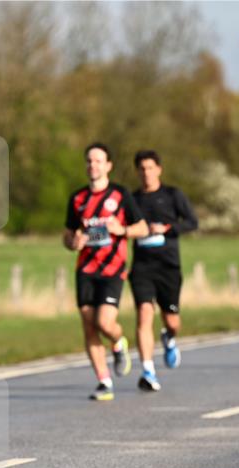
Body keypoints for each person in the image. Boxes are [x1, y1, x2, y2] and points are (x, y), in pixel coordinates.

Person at [63, 143, 148, 401]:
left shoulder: (121, 195)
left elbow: (143, 228)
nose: (93, 165)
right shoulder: (78, 199)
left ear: (108, 165)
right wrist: (74, 242)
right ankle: (104, 381)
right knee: (89, 326)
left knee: (104, 323)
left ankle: (119, 342)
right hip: (85, 269)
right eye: (89, 161)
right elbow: (68, 235)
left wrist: (122, 230)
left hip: (113, 269)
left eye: (98, 161)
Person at [130, 150, 199, 392]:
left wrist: (166, 228)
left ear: (159, 169)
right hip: (142, 266)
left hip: (168, 266)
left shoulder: (172, 195)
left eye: (150, 168)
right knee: (144, 313)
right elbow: (117, 228)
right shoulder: (132, 199)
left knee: (172, 321)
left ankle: (169, 337)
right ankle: (148, 370)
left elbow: (192, 222)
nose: (146, 173)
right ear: (137, 172)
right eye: (142, 169)